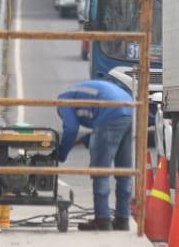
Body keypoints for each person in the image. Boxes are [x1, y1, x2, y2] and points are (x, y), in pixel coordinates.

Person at [57, 70, 135, 231]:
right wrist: (84, 140)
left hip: (110, 113)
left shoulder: (63, 100)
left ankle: (102, 219)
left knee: (100, 170)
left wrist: (61, 154)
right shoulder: (80, 93)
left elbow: (71, 129)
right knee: (124, 171)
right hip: (131, 111)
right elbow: (99, 129)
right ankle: (122, 218)